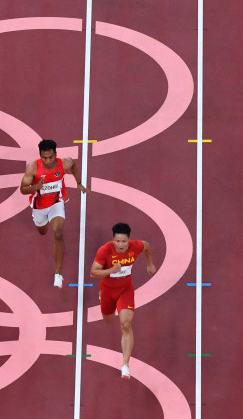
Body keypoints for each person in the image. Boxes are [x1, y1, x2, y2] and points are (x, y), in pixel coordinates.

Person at [90, 223, 157, 379]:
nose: (120, 245)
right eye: (117, 241)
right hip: (107, 290)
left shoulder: (136, 246)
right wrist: (111, 271)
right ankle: (104, 300)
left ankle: (125, 365)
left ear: (129, 240)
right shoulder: (104, 250)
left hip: (125, 290)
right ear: (113, 239)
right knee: (108, 319)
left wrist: (149, 263)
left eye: (124, 241)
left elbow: (146, 246)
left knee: (125, 324)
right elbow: (93, 272)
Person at [19, 139, 88, 289]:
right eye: (44, 157)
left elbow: (74, 166)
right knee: (43, 232)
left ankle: (58, 273)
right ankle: (41, 223)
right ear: (40, 155)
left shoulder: (64, 163)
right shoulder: (33, 168)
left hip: (57, 203)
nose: (48, 160)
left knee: (58, 234)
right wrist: (36, 186)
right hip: (39, 207)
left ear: (56, 154)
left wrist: (79, 182)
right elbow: (23, 189)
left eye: (50, 157)